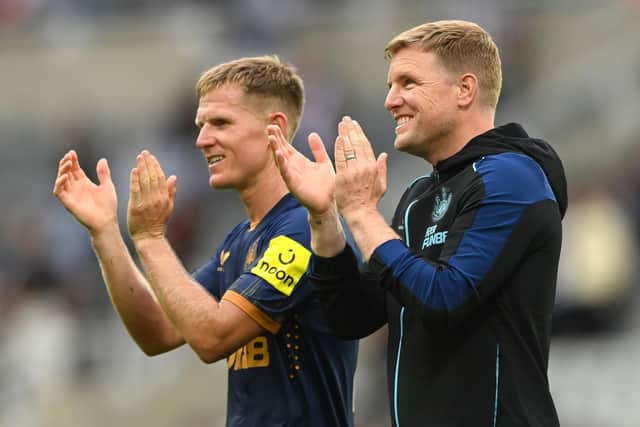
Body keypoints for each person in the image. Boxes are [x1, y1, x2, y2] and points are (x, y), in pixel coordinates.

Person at [268, 20, 567, 427]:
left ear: (464, 90)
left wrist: (360, 211)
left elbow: (446, 299)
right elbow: (351, 317)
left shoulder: (512, 178)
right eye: (391, 85)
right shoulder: (418, 198)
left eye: (408, 83)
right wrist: (325, 217)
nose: (391, 100)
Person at [53, 55, 358, 427]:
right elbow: (158, 333)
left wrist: (151, 239)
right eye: (200, 125)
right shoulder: (240, 239)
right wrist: (105, 233)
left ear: (273, 128)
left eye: (221, 123)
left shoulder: (303, 230)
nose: (202, 139)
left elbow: (212, 336)